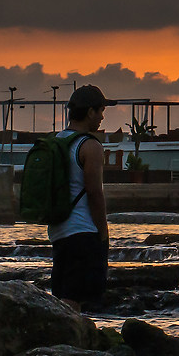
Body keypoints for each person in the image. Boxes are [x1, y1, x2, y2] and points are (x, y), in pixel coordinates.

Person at [45, 85, 112, 312]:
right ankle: (70, 334)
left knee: (63, 295)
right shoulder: (90, 146)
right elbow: (94, 192)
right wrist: (103, 232)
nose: (102, 117)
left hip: (58, 231)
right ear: (90, 112)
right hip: (83, 231)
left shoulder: (56, 142)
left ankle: (63, 333)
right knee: (74, 299)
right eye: (101, 111)